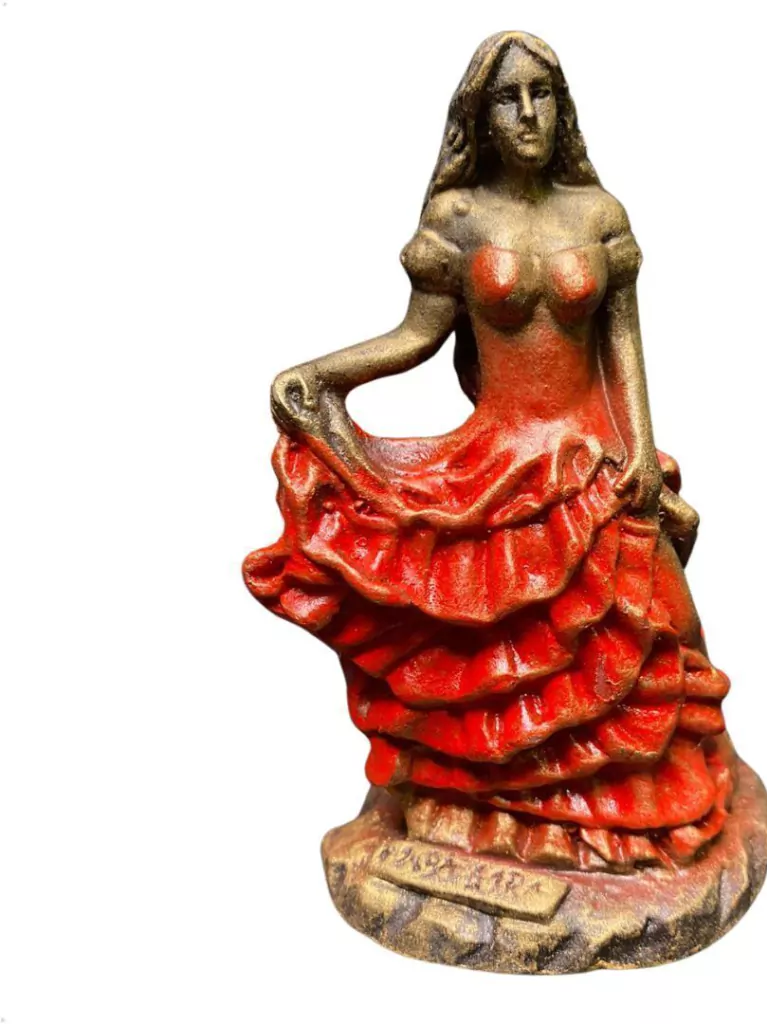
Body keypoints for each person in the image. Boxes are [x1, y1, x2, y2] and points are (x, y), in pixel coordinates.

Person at [244, 31, 734, 870]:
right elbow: (415, 338)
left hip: (592, 458)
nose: (528, 114)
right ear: (480, 115)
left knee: (663, 634)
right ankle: (496, 809)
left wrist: (643, 455)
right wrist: (319, 375)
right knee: (485, 643)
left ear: (563, 107)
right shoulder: (459, 220)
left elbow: (623, 343)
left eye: (543, 94)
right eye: (509, 98)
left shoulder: (599, 215)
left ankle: (631, 813)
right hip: (500, 458)